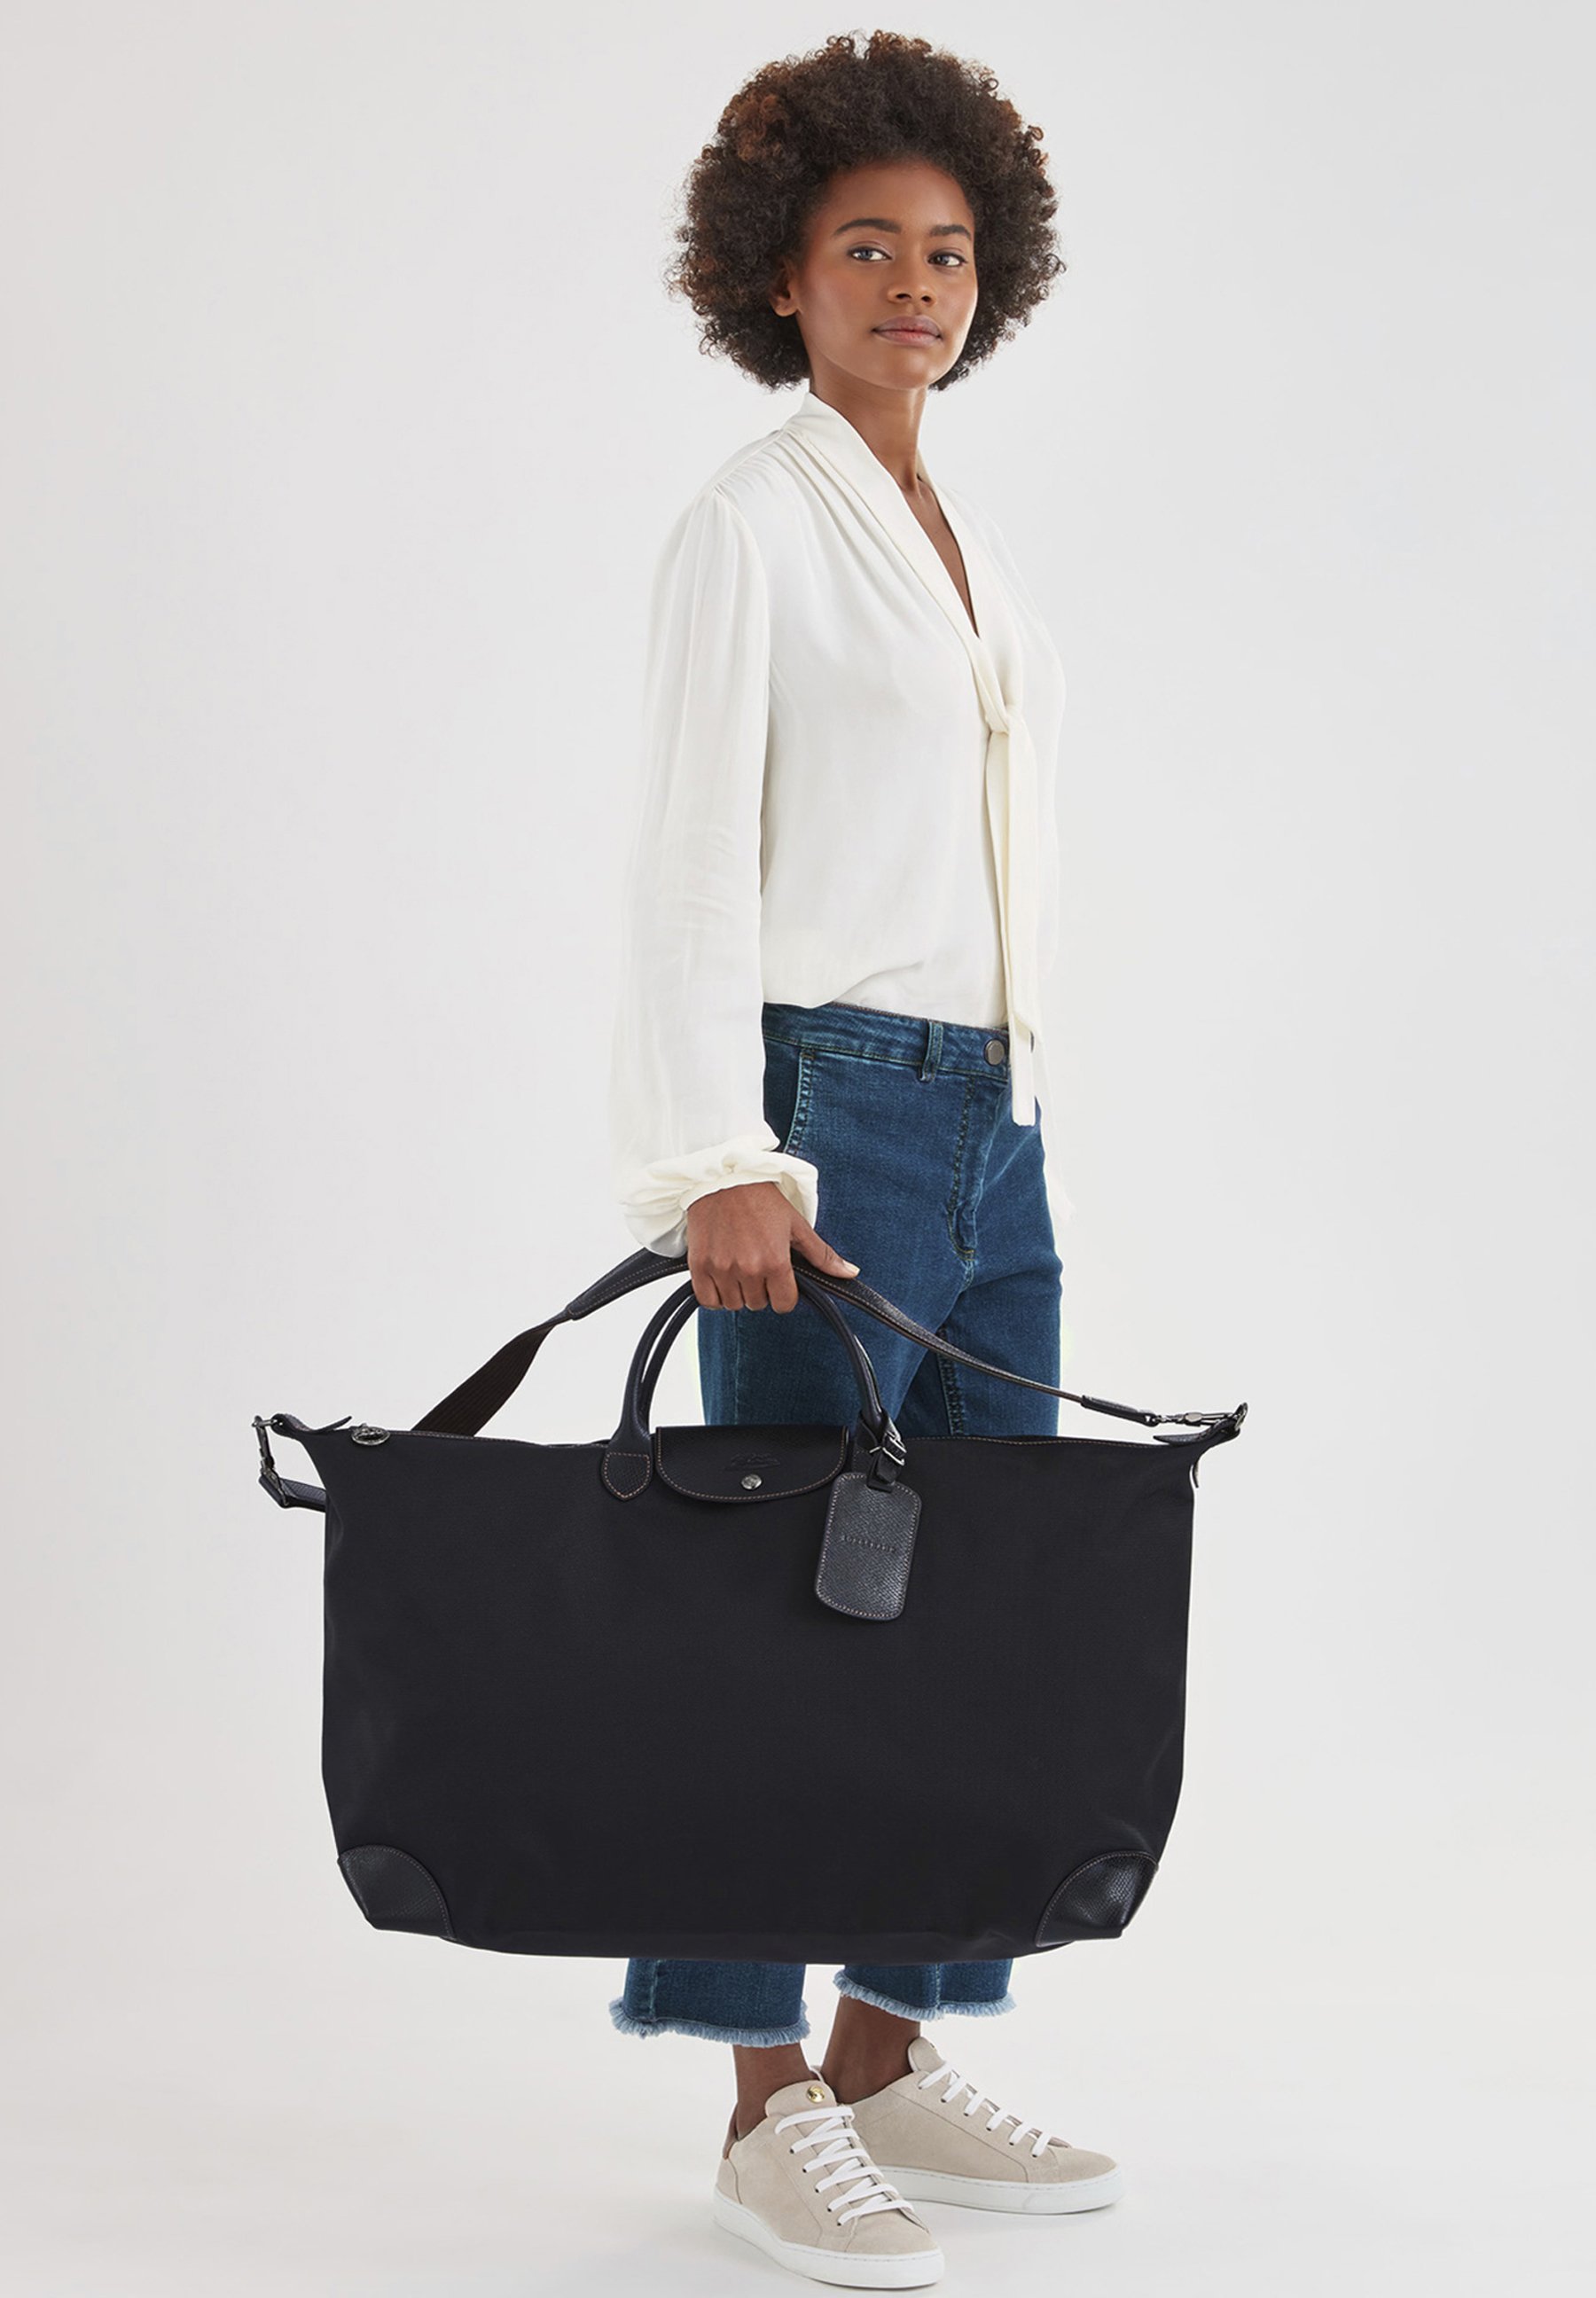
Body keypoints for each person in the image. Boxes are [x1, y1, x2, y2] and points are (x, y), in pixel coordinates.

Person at [606, 30, 1119, 2287]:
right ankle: (761, 2103)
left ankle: (891, 2055)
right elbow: (683, 857)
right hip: (828, 1120)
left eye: (951, 252)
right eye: (868, 248)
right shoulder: (751, 524)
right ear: (780, 276)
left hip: (996, 1120)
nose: (918, 284)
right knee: (782, 1618)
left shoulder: (967, 544)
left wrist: (1021, 1111)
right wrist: (716, 1152)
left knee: (984, 1604)